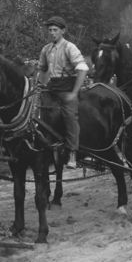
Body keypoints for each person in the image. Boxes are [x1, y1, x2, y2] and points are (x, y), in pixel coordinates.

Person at [37, 16, 89, 169]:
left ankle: (72, 151)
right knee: (35, 108)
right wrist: (40, 84)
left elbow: (82, 69)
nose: (52, 33)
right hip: (52, 87)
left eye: (55, 30)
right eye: (50, 30)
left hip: (67, 88)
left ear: (63, 31)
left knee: (69, 115)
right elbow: (42, 68)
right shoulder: (46, 49)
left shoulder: (69, 47)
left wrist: (74, 92)